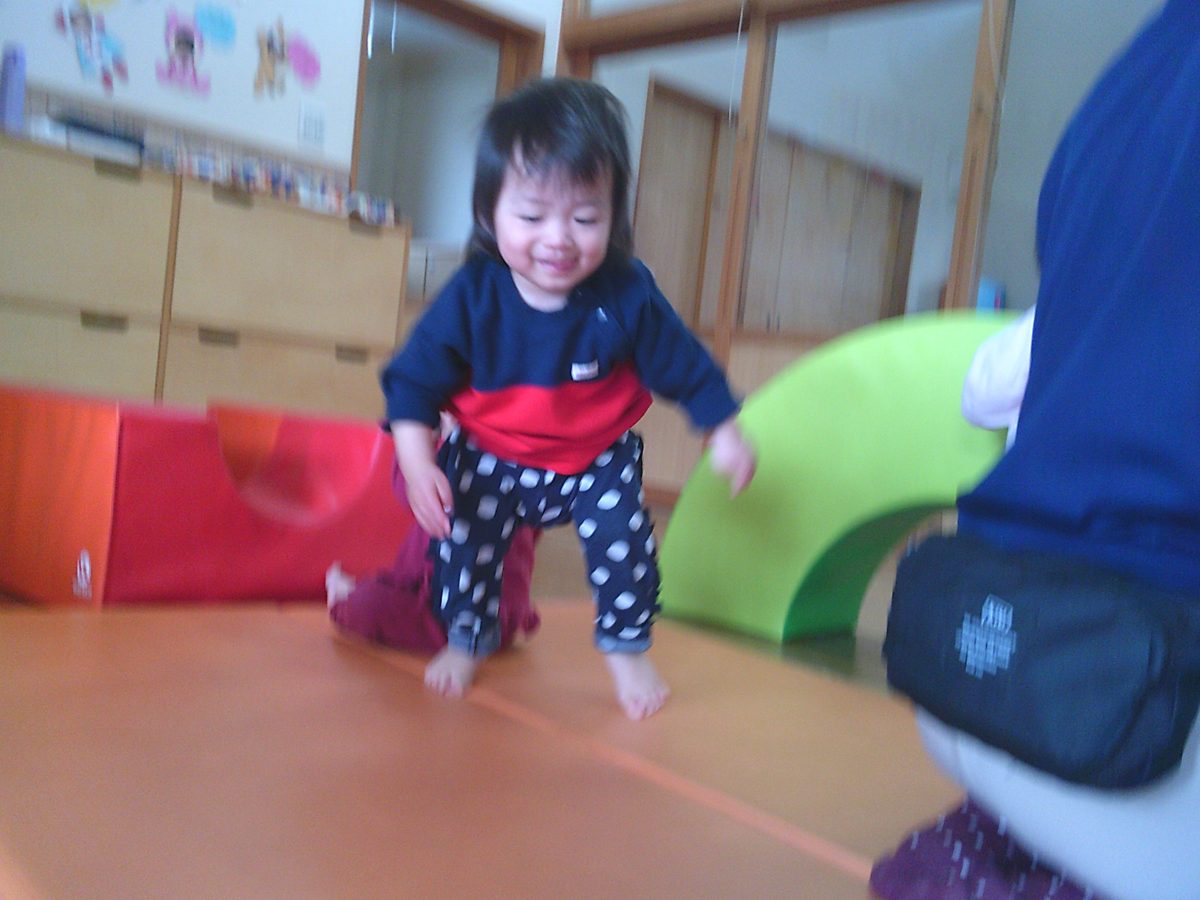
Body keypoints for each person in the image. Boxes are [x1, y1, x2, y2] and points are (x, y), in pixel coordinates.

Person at [874, 2, 1200, 897]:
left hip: (978, 657)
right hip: (1135, 695)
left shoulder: (1134, 73)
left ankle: (996, 849)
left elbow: (993, 378)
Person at [380, 77, 757, 720]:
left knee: (624, 540)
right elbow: (413, 381)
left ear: (613, 219)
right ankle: (467, 637)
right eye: (532, 217)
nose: (558, 238)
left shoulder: (626, 293)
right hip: (491, 454)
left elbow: (684, 364)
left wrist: (724, 431)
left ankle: (627, 648)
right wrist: (418, 464)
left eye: (585, 218)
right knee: (463, 544)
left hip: (593, 457)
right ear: (489, 215)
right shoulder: (473, 295)